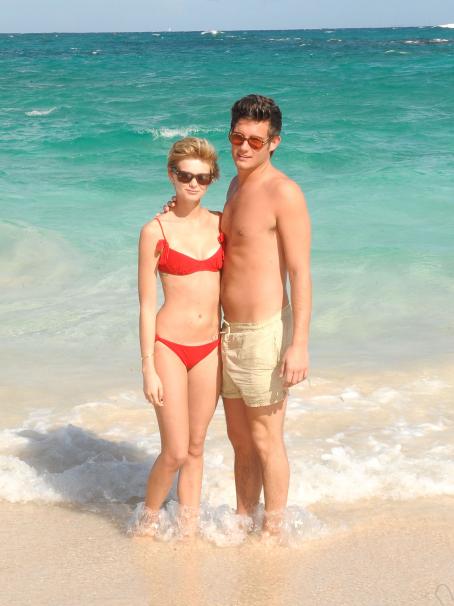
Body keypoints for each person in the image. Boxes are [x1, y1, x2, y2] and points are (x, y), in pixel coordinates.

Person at [166, 94, 312, 536]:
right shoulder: (232, 186)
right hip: (226, 331)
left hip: (264, 332)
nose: (244, 147)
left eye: (255, 140)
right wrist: (179, 211)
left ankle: (273, 532)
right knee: (239, 440)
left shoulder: (284, 192)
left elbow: (300, 272)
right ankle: (245, 519)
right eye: (237, 138)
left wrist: (299, 344)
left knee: (266, 440)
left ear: (274, 143)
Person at [136, 137, 223, 537]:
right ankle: (147, 521)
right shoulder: (154, 231)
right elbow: (145, 304)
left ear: (211, 179)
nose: (193, 184)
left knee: (196, 447)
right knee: (174, 450)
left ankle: (188, 531)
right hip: (168, 347)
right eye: (185, 175)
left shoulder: (221, 224)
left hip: (210, 348)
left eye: (202, 178)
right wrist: (148, 367)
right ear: (171, 175)